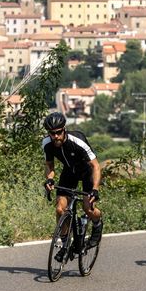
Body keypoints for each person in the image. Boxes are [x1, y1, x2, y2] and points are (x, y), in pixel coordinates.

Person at [42, 112, 103, 261]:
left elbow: (96, 166)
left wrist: (95, 189)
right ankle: (65, 243)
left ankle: (97, 222)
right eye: (52, 133)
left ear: (64, 129)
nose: (55, 136)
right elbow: (50, 165)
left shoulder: (78, 140)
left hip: (86, 172)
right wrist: (49, 179)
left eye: (58, 133)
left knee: (87, 208)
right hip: (69, 172)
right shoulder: (47, 144)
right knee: (60, 208)